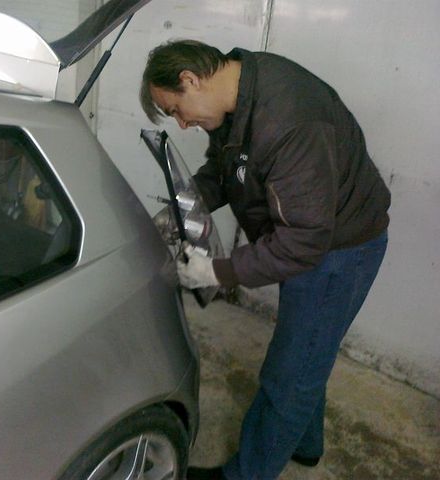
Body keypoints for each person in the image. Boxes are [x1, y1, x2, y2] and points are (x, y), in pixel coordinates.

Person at [140, 40, 390, 480]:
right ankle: (305, 446)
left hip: (339, 251)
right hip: (317, 239)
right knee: (308, 355)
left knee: (290, 375)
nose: (181, 124)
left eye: (176, 109)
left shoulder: (288, 119)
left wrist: (216, 271)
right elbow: (225, 172)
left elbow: (302, 243)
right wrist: (181, 210)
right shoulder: (240, 94)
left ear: (190, 80)